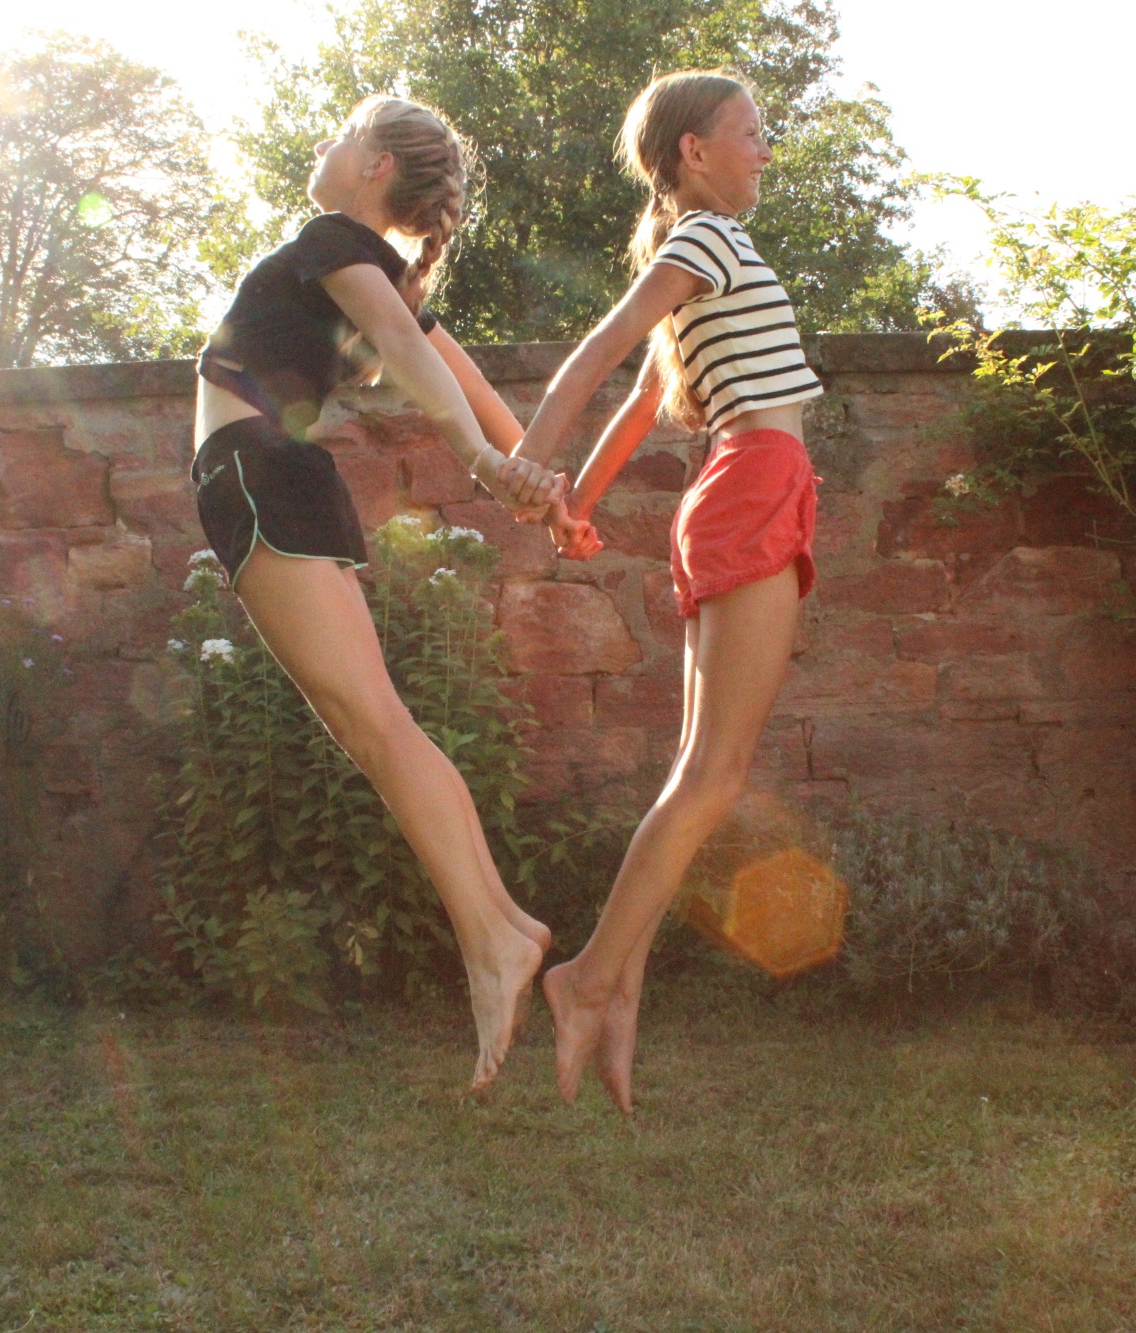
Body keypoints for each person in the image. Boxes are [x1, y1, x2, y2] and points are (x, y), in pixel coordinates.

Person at [192, 95, 563, 1089]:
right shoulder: (357, 262)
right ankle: (502, 926)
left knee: (376, 727)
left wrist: (493, 466)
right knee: (378, 727)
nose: (322, 143)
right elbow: (454, 369)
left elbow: (408, 353)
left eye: (342, 134)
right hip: (269, 483)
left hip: (259, 481)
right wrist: (540, 484)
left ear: (376, 166)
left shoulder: (331, 239)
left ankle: (492, 942)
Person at [514, 71, 824, 1113]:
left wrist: (578, 499)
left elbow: (648, 396)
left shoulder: (700, 253)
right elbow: (600, 352)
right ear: (694, 151)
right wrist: (528, 465)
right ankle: (586, 979)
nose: (764, 150)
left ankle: (615, 993)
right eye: (751, 131)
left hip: (745, 484)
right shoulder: (706, 239)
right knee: (714, 776)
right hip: (752, 481)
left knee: (698, 776)